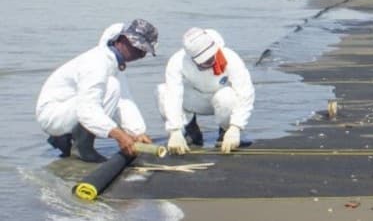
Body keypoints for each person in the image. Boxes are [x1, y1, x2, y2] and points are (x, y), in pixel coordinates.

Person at [35, 19, 158, 162]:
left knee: (114, 87)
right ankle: (83, 148)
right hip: (53, 114)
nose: (141, 55)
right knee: (111, 87)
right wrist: (119, 135)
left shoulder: (115, 65)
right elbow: (87, 109)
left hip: (68, 108)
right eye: (138, 48)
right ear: (122, 40)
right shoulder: (96, 63)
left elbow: (124, 101)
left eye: (144, 51)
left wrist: (137, 132)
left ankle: (68, 137)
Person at [157, 27, 255, 155]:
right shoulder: (177, 61)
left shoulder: (230, 57)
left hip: (220, 100)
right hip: (195, 99)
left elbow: (245, 93)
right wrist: (174, 130)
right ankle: (188, 131)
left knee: (227, 96)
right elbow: (173, 96)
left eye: (211, 58)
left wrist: (236, 127)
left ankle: (226, 131)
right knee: (162, 91)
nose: (209, 63)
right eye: (204, 61)